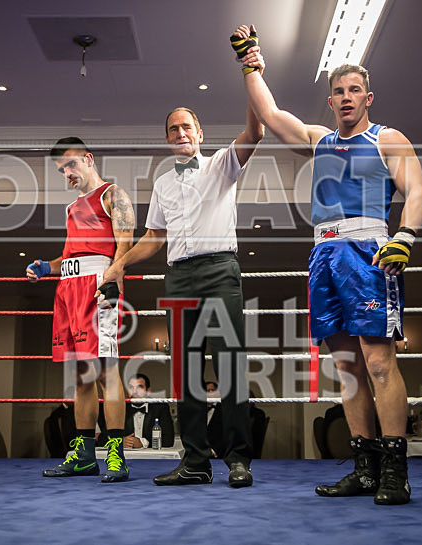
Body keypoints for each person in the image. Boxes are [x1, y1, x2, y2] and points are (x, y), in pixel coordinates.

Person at [233, 24, 422, 504]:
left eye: (354, 90)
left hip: (369, 252)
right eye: (339, 91)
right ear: (331, 100)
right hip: (324, 254)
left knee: (378, 362)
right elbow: (270, 114)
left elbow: (417, 191)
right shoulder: (319, 140)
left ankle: (395, 471)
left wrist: (405, 236)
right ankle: (364, 469)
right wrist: (250, 63)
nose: (346, 98)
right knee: (347, 367)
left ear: (368, 98)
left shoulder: (386, 138)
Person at [101, 98, 264, 488]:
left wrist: (251, 79)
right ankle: (195, 461)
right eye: (173, 129)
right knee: (185, 372)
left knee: (229, 366)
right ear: (167, 139)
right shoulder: (162, 183)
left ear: (200, 134)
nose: (180, 133)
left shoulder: (221, 164)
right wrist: (120, 263)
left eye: (186, 126)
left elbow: (255, 133)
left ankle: (238, 460)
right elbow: (154, 237)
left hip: (219, 270)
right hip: (178, 276)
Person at [28, 137, 135, 483]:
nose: (67, 174)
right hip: (68, 289)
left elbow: (125, 243)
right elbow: (72, 255)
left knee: (106, 371)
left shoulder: (112, 195)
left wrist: (113, 280)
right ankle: (85, 456)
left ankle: (116, 454)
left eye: (71, 165)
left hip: (97, 287)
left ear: (88, 159)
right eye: (61, 170)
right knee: (80, 375)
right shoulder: (72, 208)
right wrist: (46, 267)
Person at [123, 374, 174, 449]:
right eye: (131, 387)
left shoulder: (160, 408)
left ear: (148, 391)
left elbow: (168, 440)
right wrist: (120, 442)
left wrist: (143, 443)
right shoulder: (121, 409)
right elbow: (106, 437)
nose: (134, 391)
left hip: (154, 455)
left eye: (139, 387)